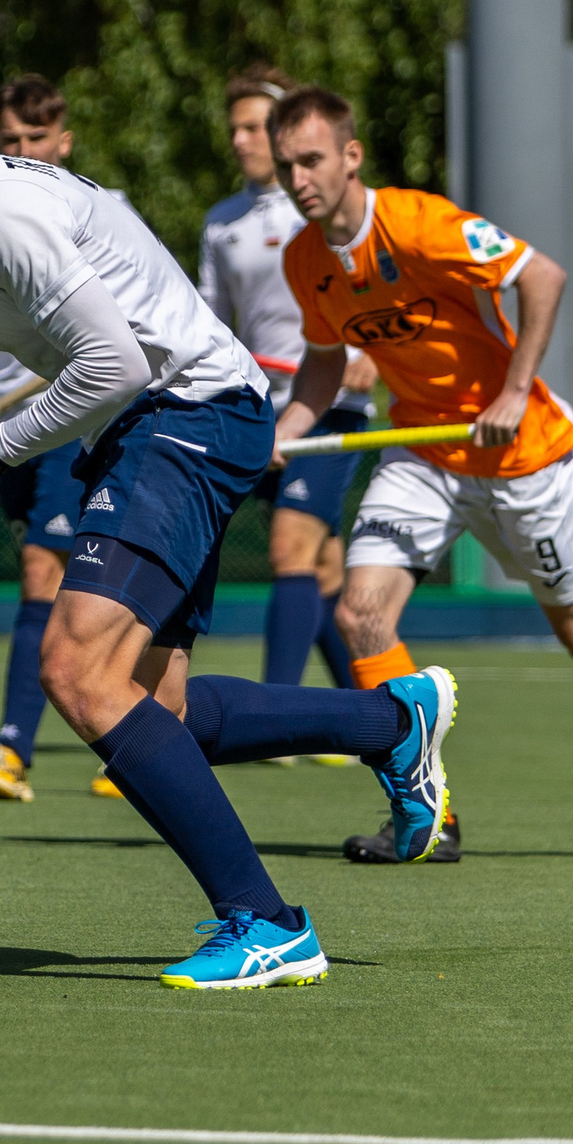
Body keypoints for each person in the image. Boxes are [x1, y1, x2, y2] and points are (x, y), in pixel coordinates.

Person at [0, 36, 457, 990]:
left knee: (76, 665)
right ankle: (392, 721)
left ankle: (267, 922)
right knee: (160, 709)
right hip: (134, 428)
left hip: (186, 409)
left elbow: (115, 361)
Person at [271, 86, 573, 860]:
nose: (298, 179)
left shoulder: (421, 224)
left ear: (352, 157)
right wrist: (287, 429)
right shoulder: (305, 261)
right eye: (287, 166)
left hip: (525, 457)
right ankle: (430, 811)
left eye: (312, 160)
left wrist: (515, 390)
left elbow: (542, 276)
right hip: (422, 450)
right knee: (361, 615)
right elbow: (324, 362)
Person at [0, 75, 115, 802]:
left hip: (64, 419)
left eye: (35, 139)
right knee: (55, 580)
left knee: (45, 576)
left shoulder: (98, 211)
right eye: (10, 139)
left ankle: (14, 747)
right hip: (3, 424)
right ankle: (138, 730)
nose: (21, 151)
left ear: (64, 141)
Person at [198, 66, 368, 708]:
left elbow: (375, 286)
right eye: (234, 128)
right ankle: (366, 714)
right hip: (260, 408)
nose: (241, 140)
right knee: (323, 568)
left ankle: (277, 713)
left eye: (254, 127)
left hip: (331, 405)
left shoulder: (324, 207)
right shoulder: (222, 222)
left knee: (289, 546)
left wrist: (370, 354)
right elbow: (211, 323)